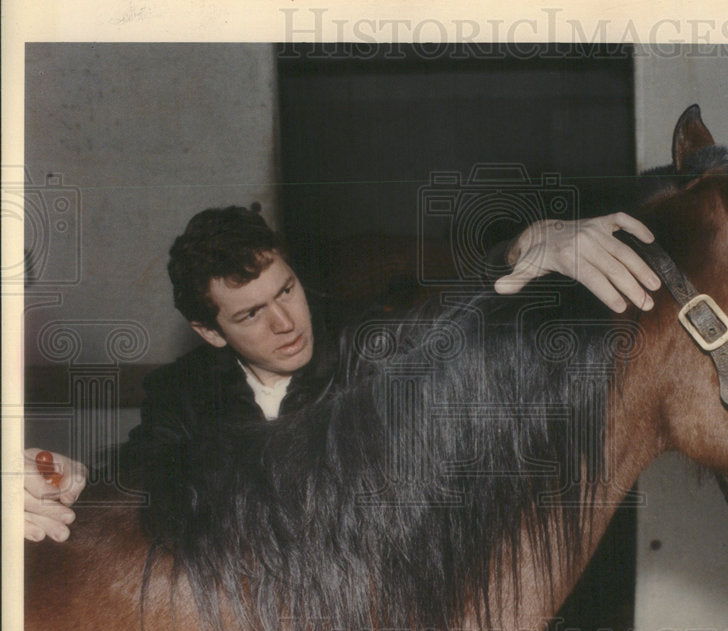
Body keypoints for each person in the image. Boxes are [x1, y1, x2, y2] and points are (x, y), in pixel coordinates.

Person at [24, 206, 661, 541]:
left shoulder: (364, 339)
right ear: (210, 332)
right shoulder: (182, 391)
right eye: (250, 314)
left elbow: (445, 317)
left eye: (287, 289)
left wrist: (528, 246)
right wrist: (81, 477)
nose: (285, 321)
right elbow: (151, 473)